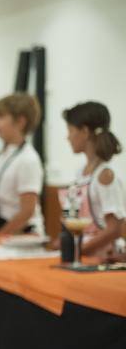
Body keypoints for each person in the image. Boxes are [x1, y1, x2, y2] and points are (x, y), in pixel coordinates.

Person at [61, 101, 125, 258]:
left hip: (104, 256)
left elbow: (114, 228)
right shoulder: (81, 173)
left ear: (84, 131)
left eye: (70, 130)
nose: (67, 137)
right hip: (86, 252)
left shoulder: (105, 175)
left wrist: (79, 251)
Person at [0, 93, 45, 236]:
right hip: (1, 228)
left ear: (20, 122)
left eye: (1, 117)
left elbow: (27, 211)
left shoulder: (28, 159)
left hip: (22, 234)